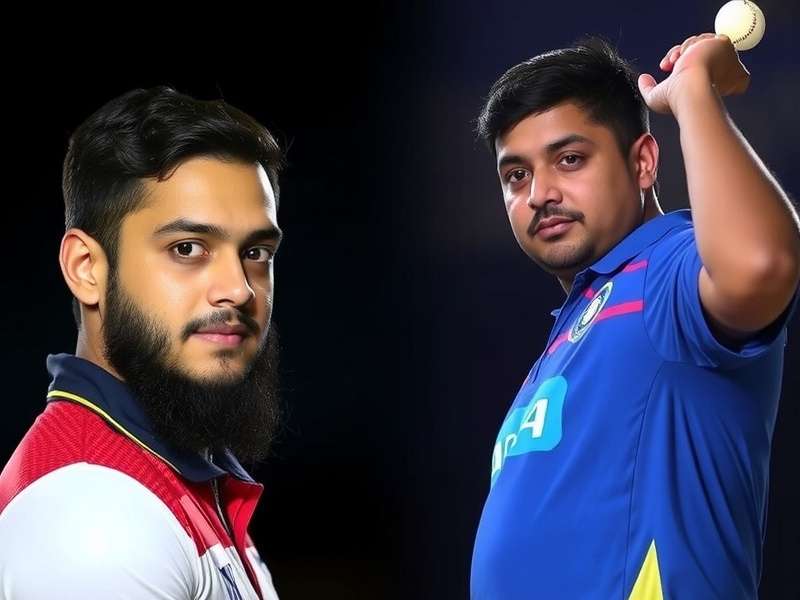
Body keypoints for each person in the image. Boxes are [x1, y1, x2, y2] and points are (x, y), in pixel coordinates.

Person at [470, 34, 800, 599]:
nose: (539, 194)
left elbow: (761, 265)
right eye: (516, 175)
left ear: (644, 162)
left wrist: (694, 92)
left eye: (569, 159)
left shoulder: (667, 270)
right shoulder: (578, 324)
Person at [0, 86, 284, 600]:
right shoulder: (93, 517)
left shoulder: (173, 475)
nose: (239, 289)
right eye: (188, 248)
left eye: (256, 252)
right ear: (87, 269)